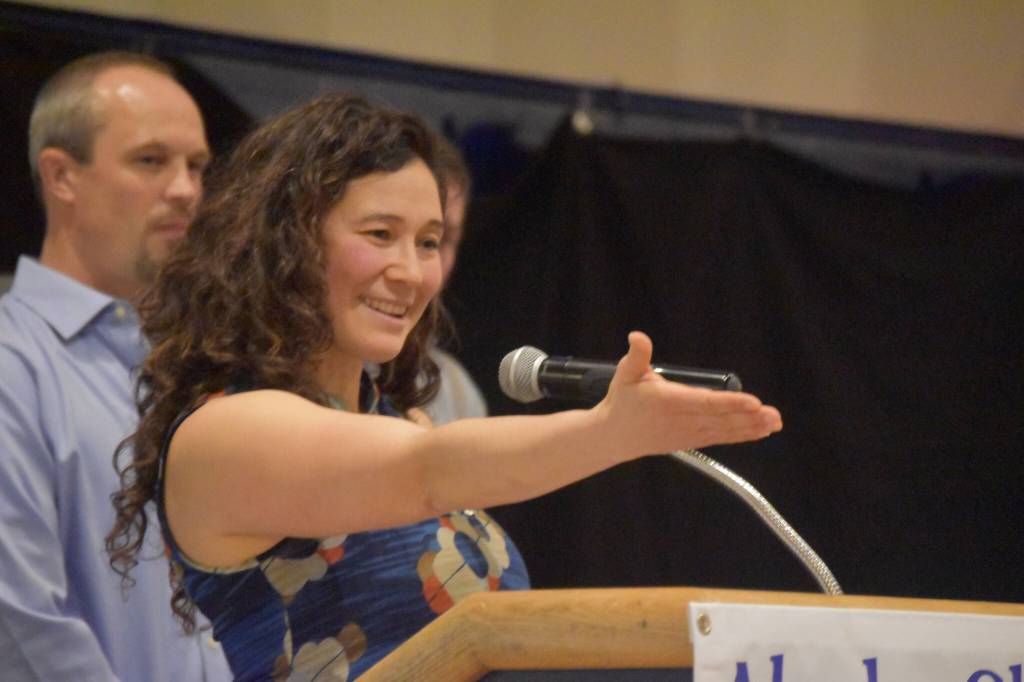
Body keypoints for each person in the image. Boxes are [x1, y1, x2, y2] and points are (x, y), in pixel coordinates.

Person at [106, 92, 783, 681]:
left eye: (428, 242)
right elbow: (426, 473)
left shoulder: (396, 420)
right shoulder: (224, 433)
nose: (410, 272)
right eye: (380, 234)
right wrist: (612, 431)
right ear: (286, 245)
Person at [0, 51, 231, 680]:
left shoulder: (193, 365)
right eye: (151, 161)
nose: (185, 189)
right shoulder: (11, 362)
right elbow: (19, 624)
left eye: (197, 166)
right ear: (61, 175)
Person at [422, 135, 487, 425]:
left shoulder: (457, 390)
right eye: (382, 234)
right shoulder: (274, 380)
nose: (411, 271)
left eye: (437, 240)